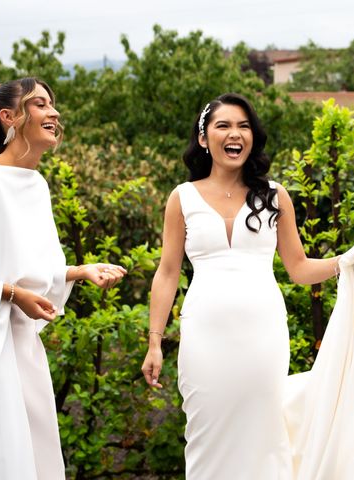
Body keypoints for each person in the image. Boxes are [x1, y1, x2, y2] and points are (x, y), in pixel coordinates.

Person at [0, 78, 127, 480]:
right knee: (3, 460)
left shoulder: (36, 184)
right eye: (41, 105)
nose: (54, 113)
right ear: (9, 117)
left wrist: (78, 272)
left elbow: (27, 270)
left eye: (53, 105)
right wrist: (12, 295)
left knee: (35, 457)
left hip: (23, 351)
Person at [141, 93, 341, 479]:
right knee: (205, 434)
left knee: (264, 436)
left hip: (262, 336)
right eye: (224, 126)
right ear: (204, 138)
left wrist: (351, 262)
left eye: (244, 126)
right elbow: (167, 272)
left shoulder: (275, 196)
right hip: (204, 337)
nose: (235, 134)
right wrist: (154, 341)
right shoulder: (181, 198)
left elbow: (298, 268)